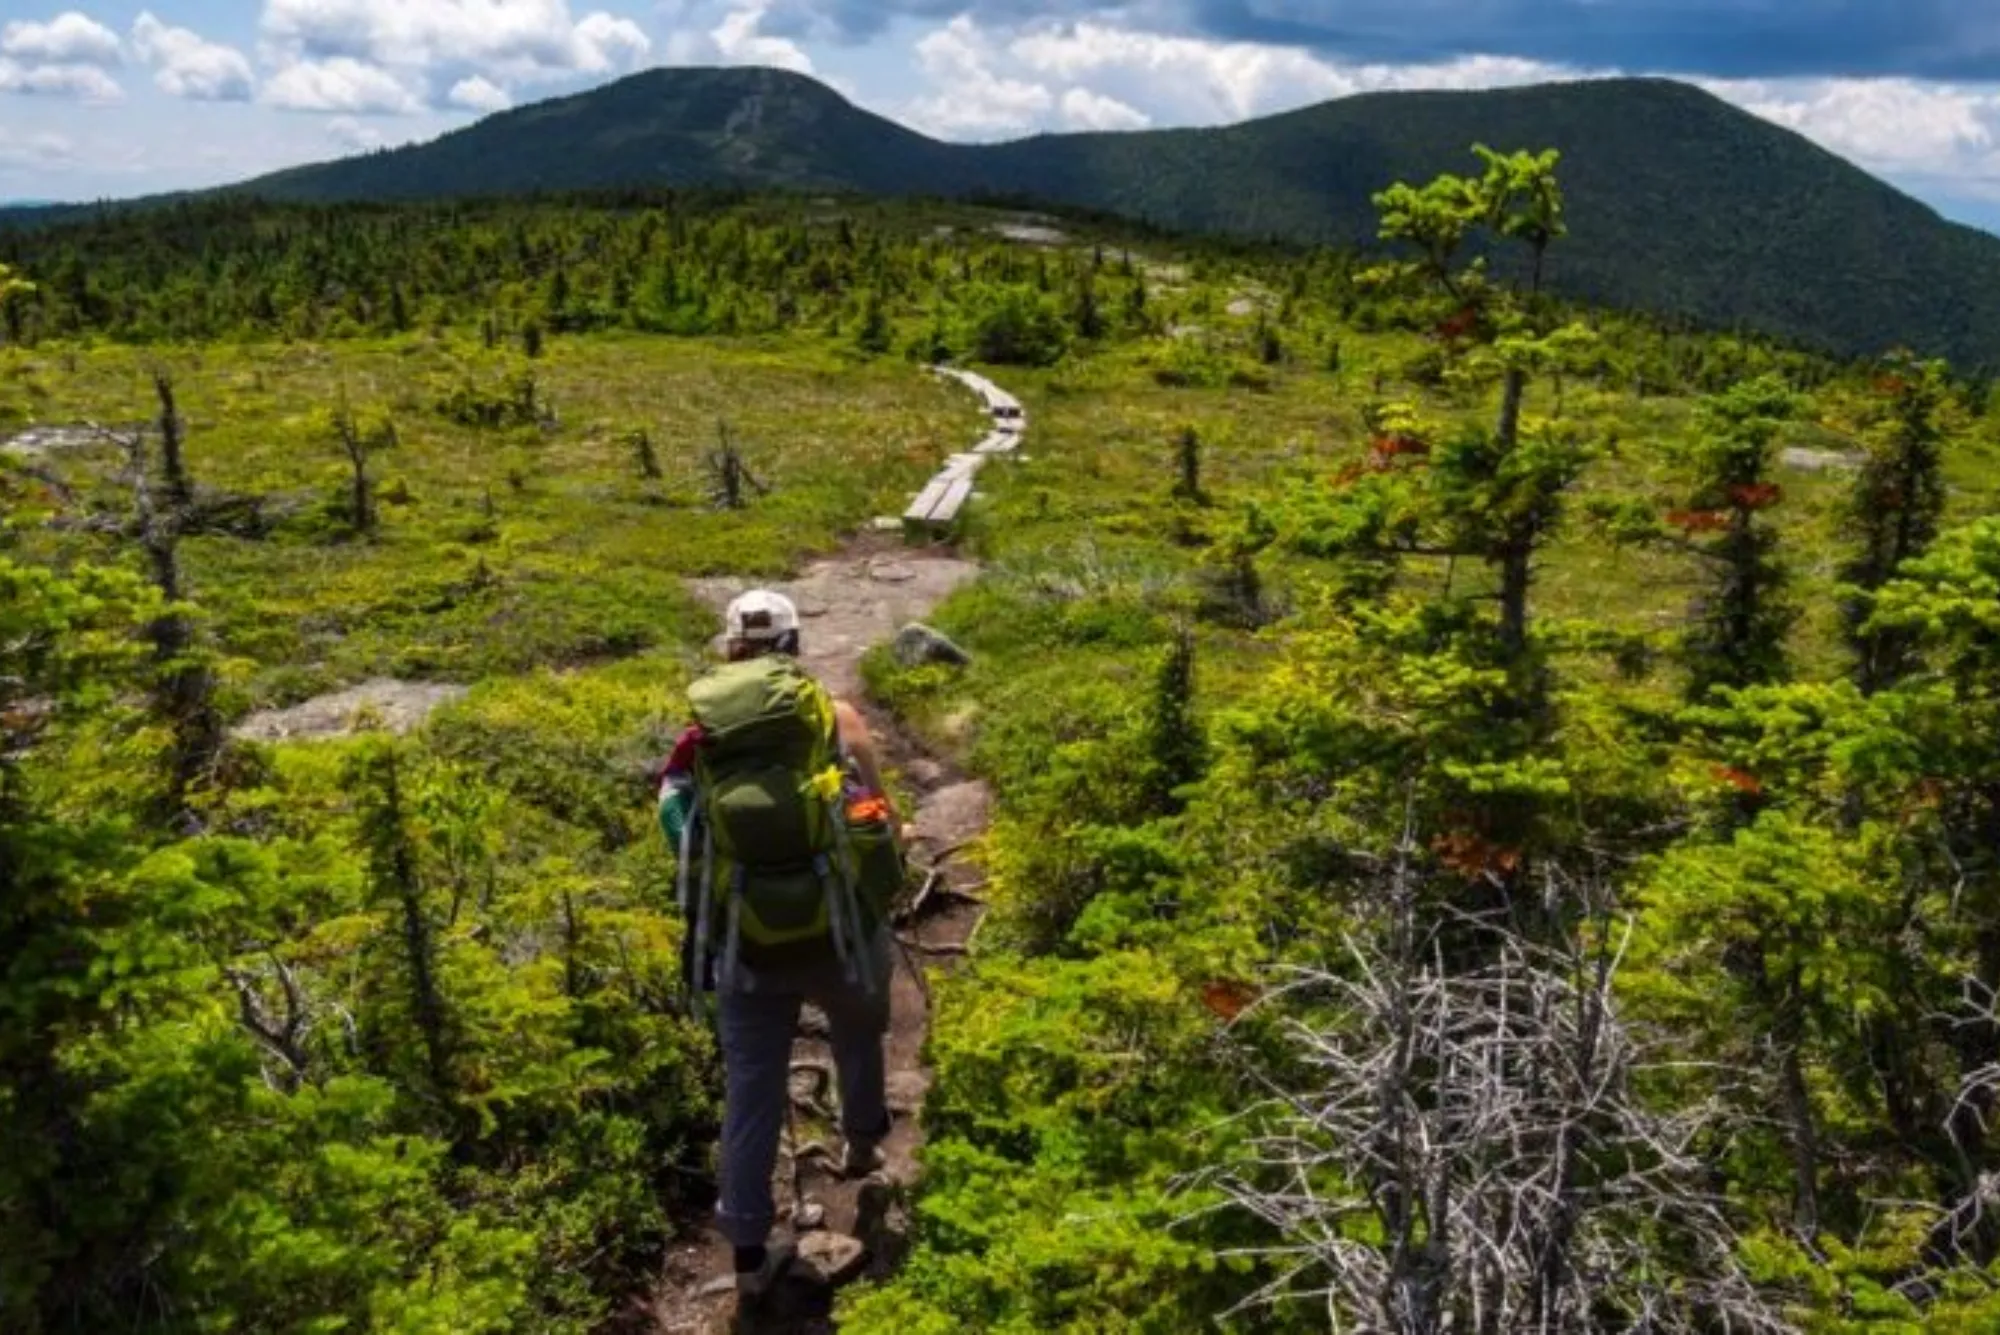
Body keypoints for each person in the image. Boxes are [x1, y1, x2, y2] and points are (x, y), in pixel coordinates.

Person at [656, 589, 903, 1301]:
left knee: (752, 1091)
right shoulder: (837, 718)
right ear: (794, 646)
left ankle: (747, 1255)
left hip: (746, 947)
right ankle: (861, 1141)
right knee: (859, 1030)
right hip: (839, 933)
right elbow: (877, 816)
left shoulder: (701, 738)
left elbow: (677, 828)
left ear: (732, 649)